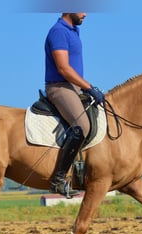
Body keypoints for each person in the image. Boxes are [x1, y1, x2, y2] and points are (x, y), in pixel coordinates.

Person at [45, 13, 105, 197]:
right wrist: (89, 87)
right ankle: (59, 179)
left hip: (75, 88)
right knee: (82, 126)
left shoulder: (74, 31)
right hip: (60, 87)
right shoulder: (58, 32)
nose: (85, 13)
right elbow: (63, 68)